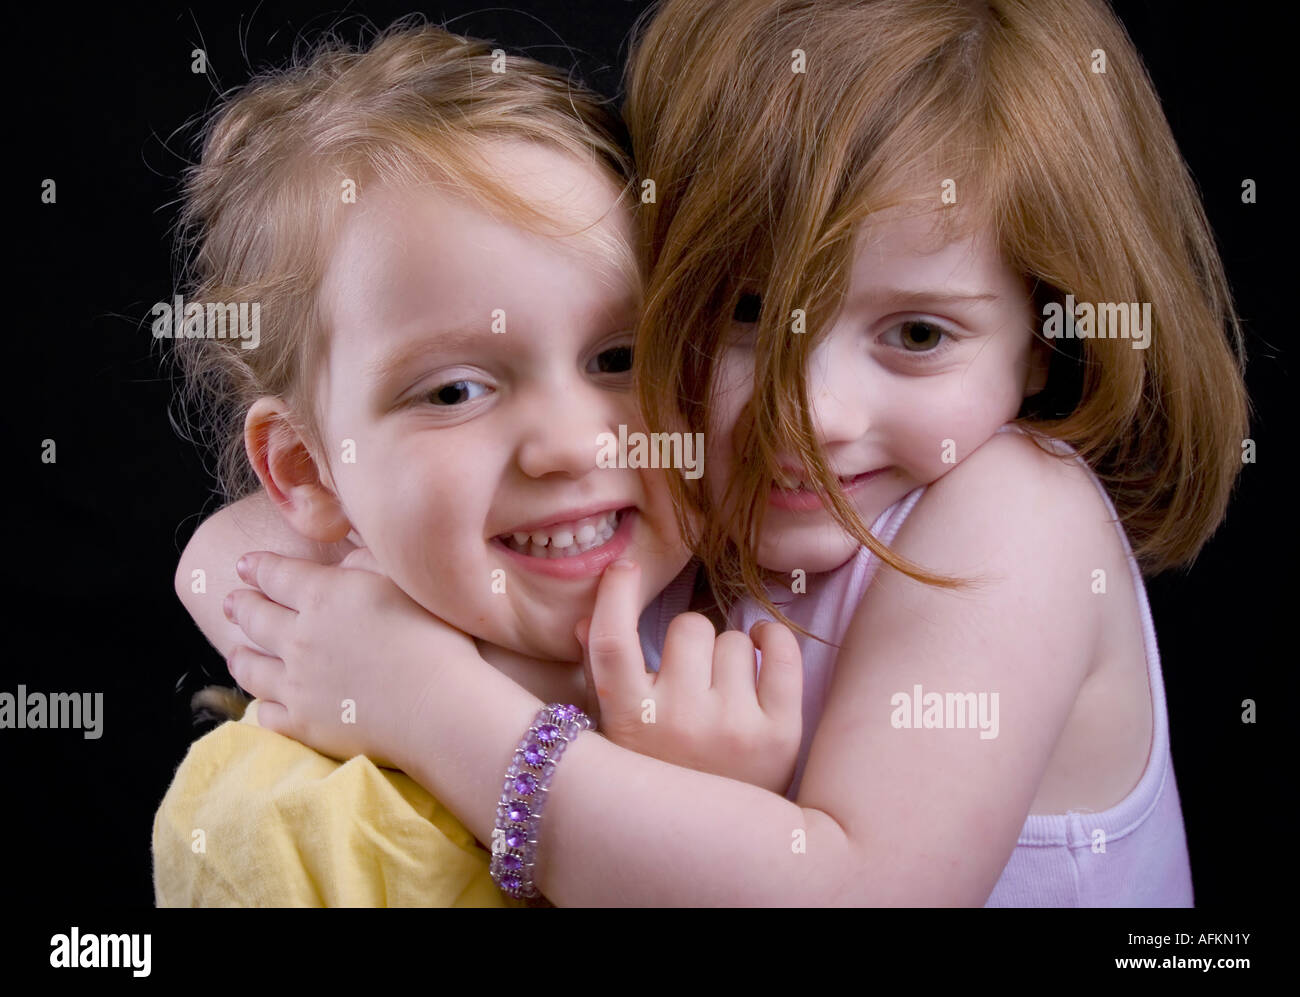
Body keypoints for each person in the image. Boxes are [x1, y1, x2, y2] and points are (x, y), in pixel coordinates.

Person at [207, 0, 1247, 905]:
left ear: (1044, 339)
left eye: (919, 335)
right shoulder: (679, 482)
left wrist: (438, 707)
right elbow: (238, 544)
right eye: (749, 310)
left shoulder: (1014, 513)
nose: (810, 412)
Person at [154, 20, 803, 907]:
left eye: (617, 358)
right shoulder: (289, 827)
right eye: (455, 391)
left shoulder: (776, 622)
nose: (571, 444)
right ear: (307, 470)